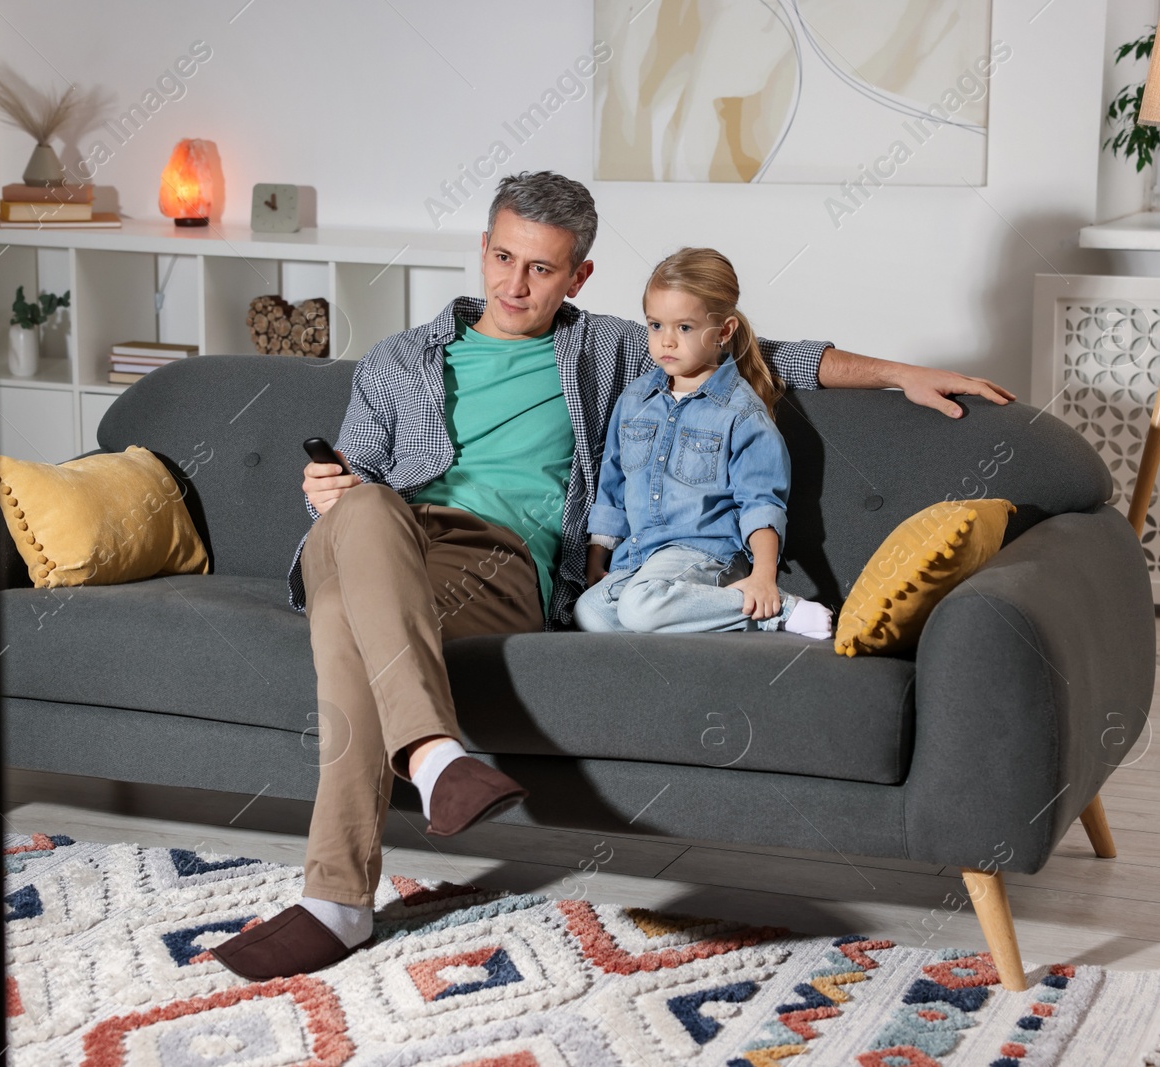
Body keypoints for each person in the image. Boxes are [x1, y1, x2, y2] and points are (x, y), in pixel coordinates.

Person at [208, 171, 1017, 983]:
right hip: (371, 536)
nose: (514, 284)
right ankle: (430, 756)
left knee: (348, 622)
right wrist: (329, 489)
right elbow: (354, 485)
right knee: (368, 507)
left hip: (489, 564)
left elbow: (764, 352)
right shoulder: (397, 361)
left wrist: (897, 373)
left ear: (579, 277)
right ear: (482, 249)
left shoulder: (608, 349)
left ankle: (338, 899)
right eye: (502, 256)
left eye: (542, 269)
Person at [573, 247, 834, 638]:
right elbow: (612, 486)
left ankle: (775, 609)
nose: (667, 342)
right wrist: (599, 555)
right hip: (640, 558)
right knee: (589, 613)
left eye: (684, 328)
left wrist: (763, 575)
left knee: (639, 608)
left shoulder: (741, 413)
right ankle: (692, 613)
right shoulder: (633, 400)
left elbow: (761, 503)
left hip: (707, 555)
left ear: (724, 331)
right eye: (655, 326)